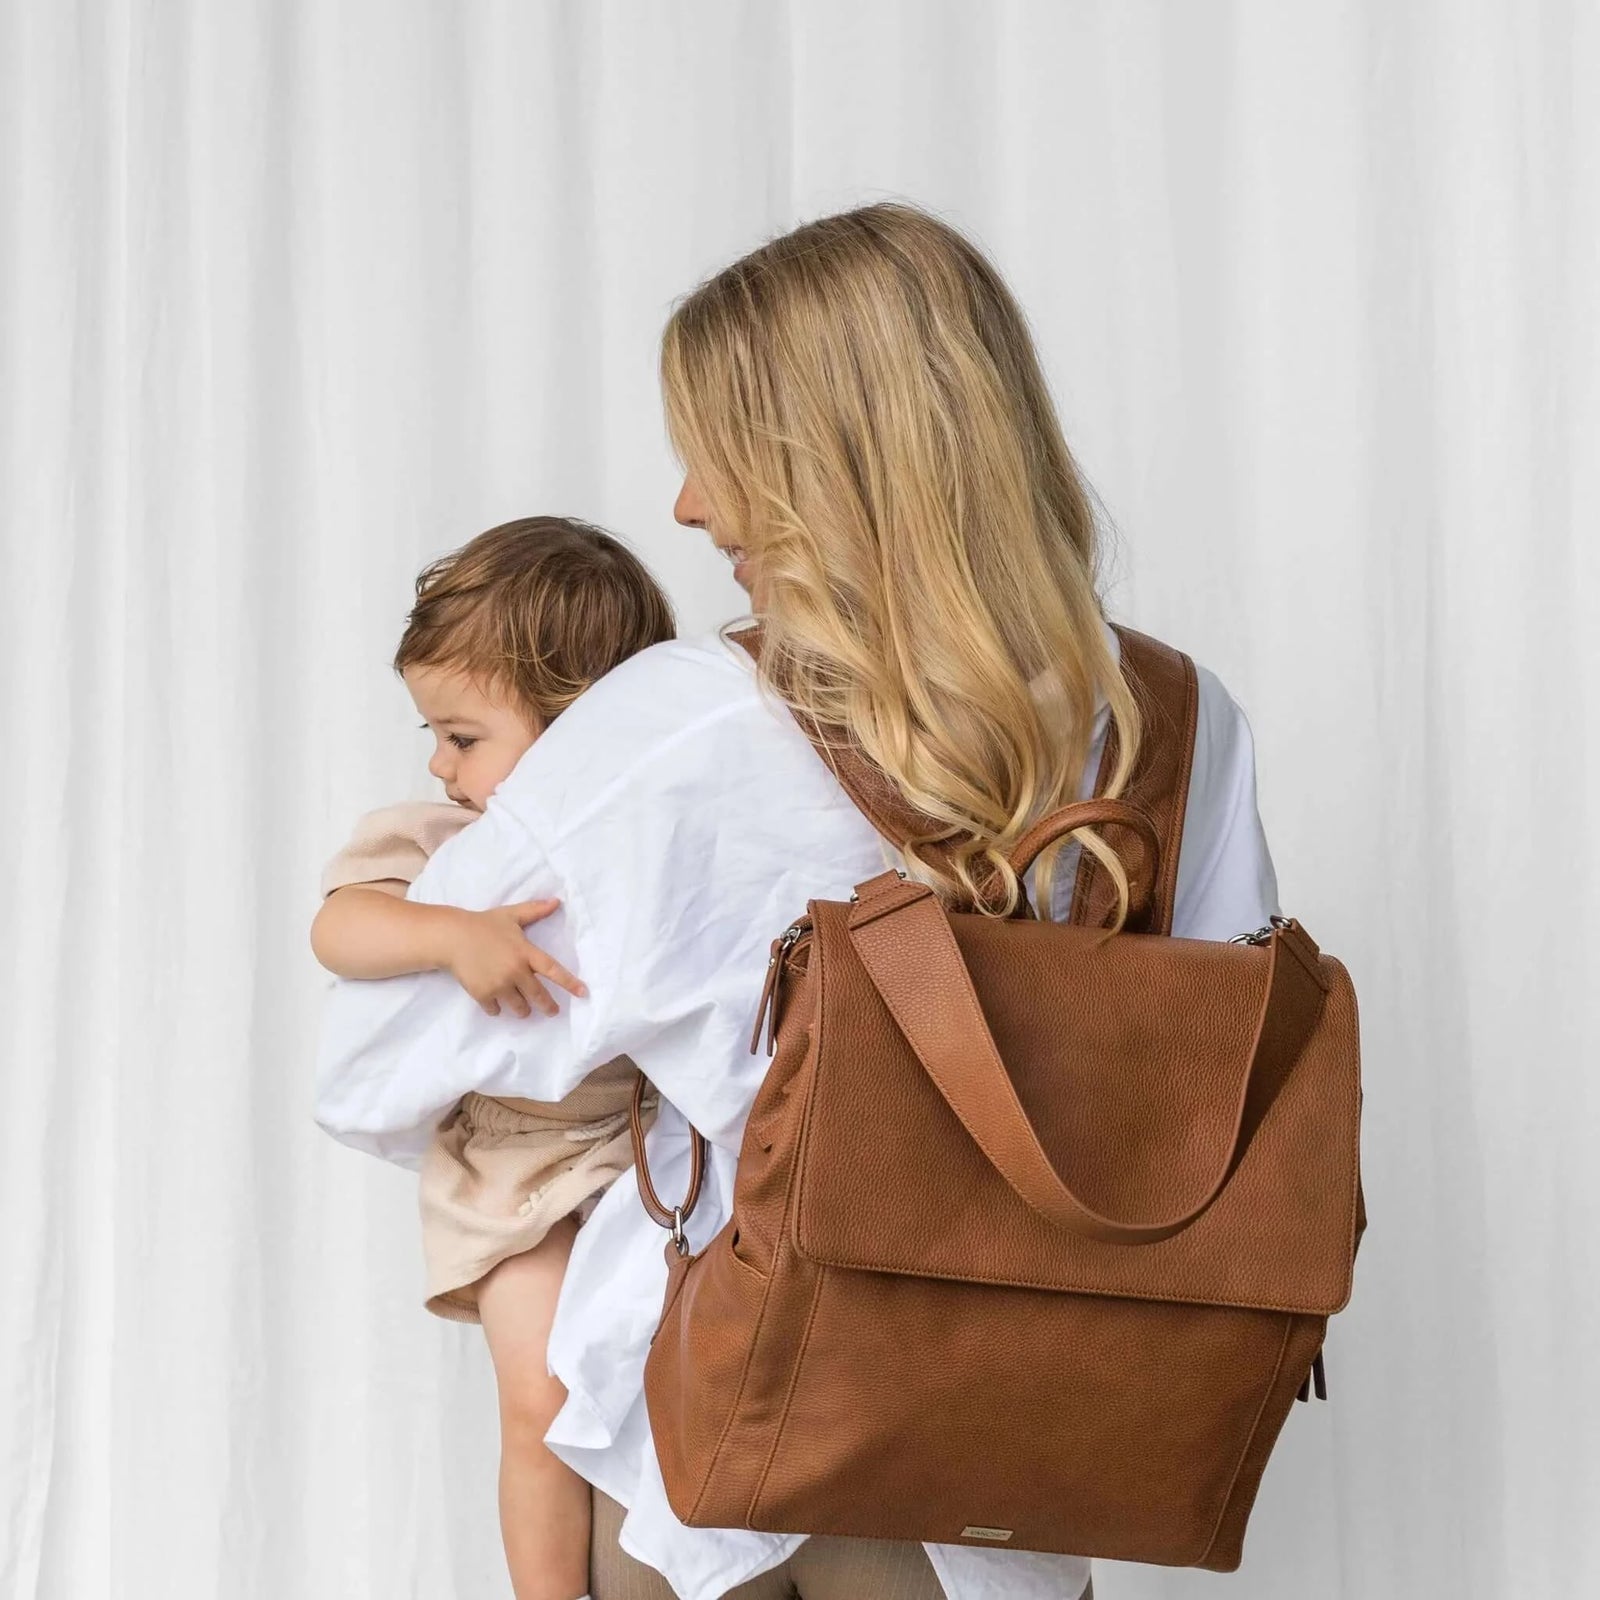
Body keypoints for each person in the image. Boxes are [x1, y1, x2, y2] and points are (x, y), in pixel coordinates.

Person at [316, 202, 1278, 1600]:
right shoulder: (1183, 723)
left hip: (727, 1449)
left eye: (715, 451)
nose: (688, 506)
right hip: (1016, 1475)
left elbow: (372, 1068)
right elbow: (1216, 1094)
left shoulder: (678, 725)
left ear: (824, 461)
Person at [310, 515, 674, 1600]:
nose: (439, 762)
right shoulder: (439, 845)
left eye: (464, 736)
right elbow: (339, 927)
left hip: (653, 1153)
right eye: (435, 733)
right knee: (542, 1395)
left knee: (652, 1396)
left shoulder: (651, 827)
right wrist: (449, 931)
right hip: (512, 1173)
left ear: (578, 729)